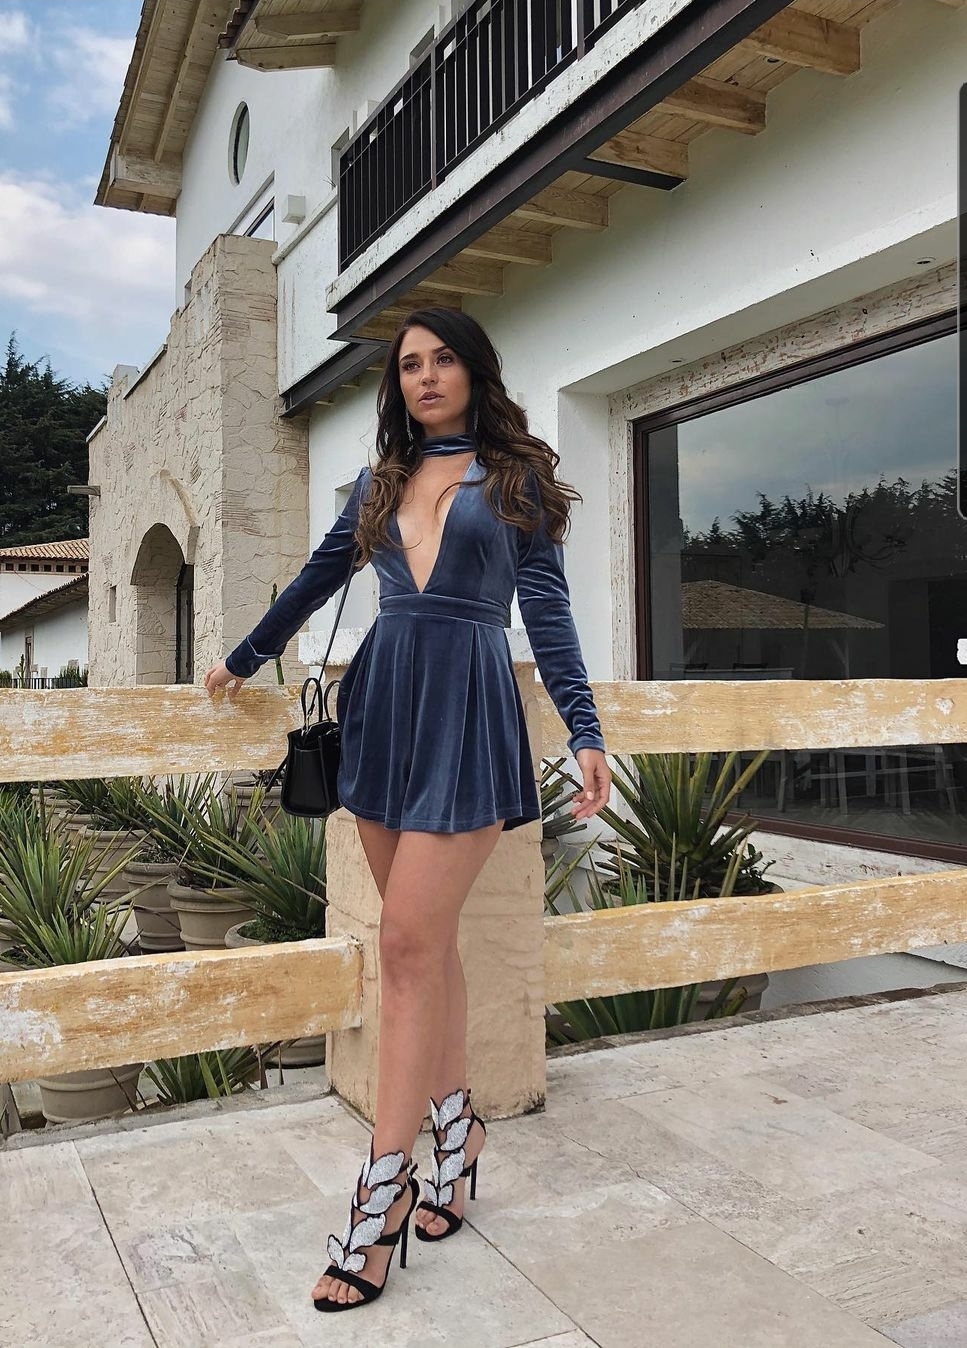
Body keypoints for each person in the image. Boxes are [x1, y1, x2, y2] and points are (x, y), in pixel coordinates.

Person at [203, 307, 612, 1311]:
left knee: (404, 946)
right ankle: (458, 1136)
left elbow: (548, 612)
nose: (425, 377)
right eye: (410, 365)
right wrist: (246, 655)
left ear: (474, 371)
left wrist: (585, 727)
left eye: (443, 360)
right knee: (425, 949)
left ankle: (381, 1193)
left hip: (468, 707)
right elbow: (317, 579)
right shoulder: (377, 485)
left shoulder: (515, 480)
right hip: (384, 703)